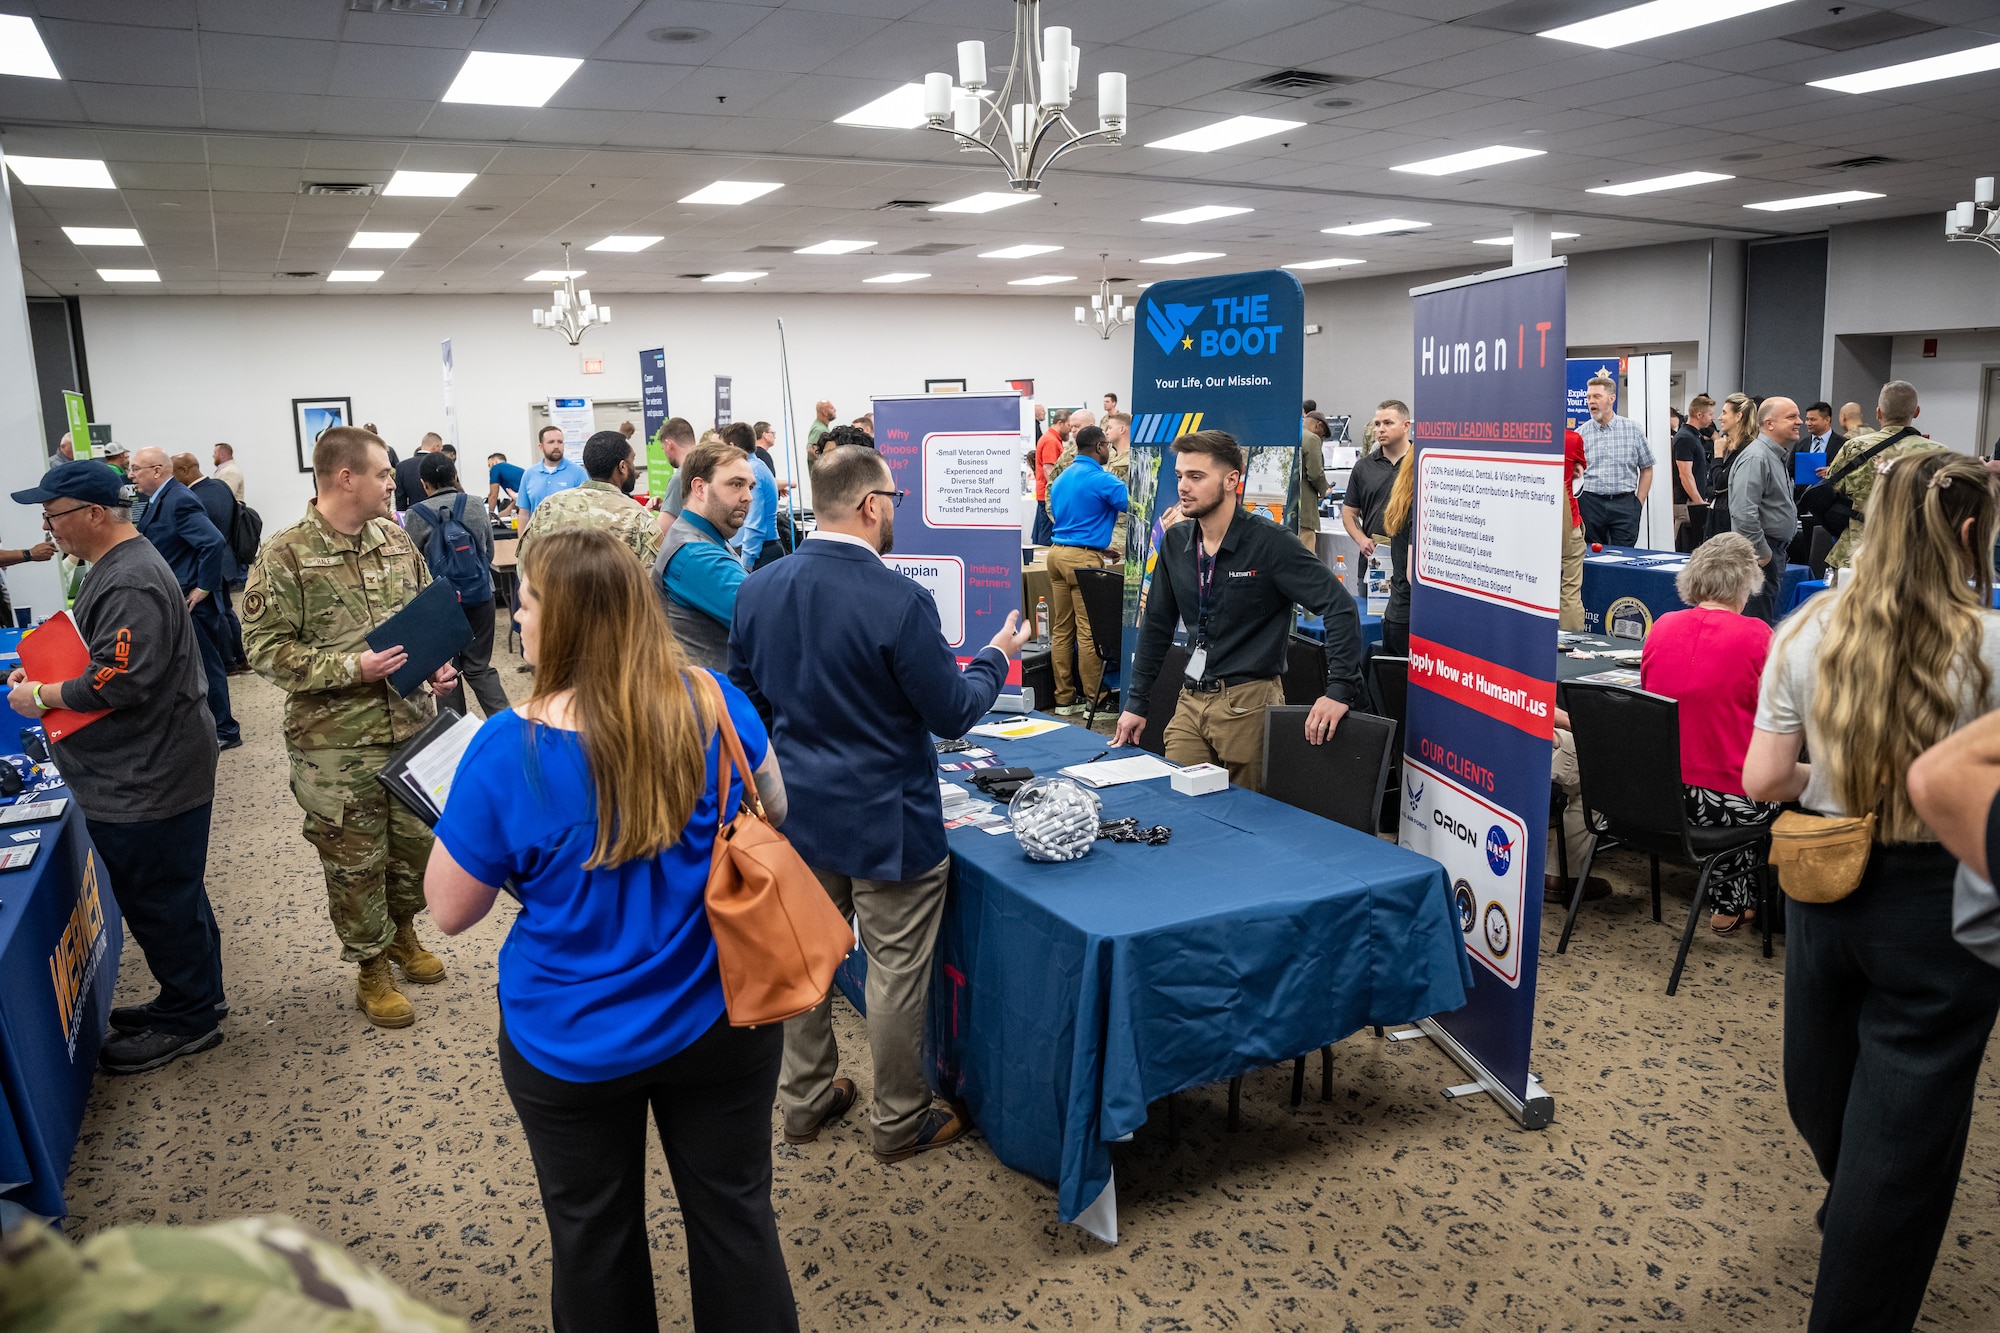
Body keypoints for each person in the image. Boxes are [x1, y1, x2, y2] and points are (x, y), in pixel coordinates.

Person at [426, 527, 797, 1332]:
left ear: (556, 621)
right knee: (736, 1219)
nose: (517, 619)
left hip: (570, 1037)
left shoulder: (502, 749)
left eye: (523, 603)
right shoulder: (713, 700)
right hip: (720, 1012)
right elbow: (777, 808)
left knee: (593, 1236)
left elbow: (451, 911)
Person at [1742, 447, 2000, 1333]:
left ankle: (1859, 1205)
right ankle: (1869, 1226)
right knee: (1907, 1126)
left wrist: (1844, 772)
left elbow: (1763, 779)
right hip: (1948, 902)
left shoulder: (1808, 630)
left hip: (1825, 878)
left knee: (1821, 1087)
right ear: (1968, 531)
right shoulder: (1993, 644)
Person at [729, 445, 1034, 1164]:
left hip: (795, 813)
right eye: (893, 499)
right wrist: (993, 655)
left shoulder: (757, 588)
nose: (894, 511)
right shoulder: (900, 599)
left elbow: (746, 705)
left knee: (806, 958)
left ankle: (805, 1100)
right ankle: (898, 1120)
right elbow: (952, 711)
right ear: (871, 505)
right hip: (889, 819)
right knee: (894, 969)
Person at [7, 460, 225, 1077]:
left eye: (53, 516)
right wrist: (51, 678)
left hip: (146, 776)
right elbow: (108, 659)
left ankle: (191, 1020)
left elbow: (123, 679)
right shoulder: (119, 568)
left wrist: (43, 697)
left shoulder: (128, 579)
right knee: (174, 894)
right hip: (147, 767)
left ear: (95, 515)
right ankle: (194, 997)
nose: (47, 529)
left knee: (160, 899)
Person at [244, 425, 458, 1029]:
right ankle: (371, 969)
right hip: (336, 747)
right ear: (346, 478)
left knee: (416, 851)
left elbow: (424, 617)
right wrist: (351, 667)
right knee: (355, 863)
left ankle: (403, 935)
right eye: (385, 473)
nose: (396, 481)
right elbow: (263, 650)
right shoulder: (285, 553)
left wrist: (437, 667)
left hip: (413, 730)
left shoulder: (395, 539)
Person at [1114, 430, 1366, 793]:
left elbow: (1340, 606)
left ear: (1232, 479)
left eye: (1196, 477)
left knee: (1251, 820)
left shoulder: (1270, 543)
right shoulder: (1176, 542)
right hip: (1190, 699)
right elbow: (1156, 625)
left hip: (1249, 704)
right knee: (1183, 809)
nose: (1184, 487)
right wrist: (1137, 701)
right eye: (1180, 476)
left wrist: (1339, 689)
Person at [1636, 534, 1777, 930]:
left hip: (1663, 797)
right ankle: (1738, 903)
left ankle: (1731, 895)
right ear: (1746, 581)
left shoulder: (1661, 627)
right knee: (1789, 783)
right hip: (1729, 798)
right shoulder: (1757, 635)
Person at [129, 446, 240, 750]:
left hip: (193, 600)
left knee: (207, 665)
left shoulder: (178, 500)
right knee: (194, 667)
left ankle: (226, 729)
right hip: (176, 596)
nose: (130, 475)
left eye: (136, 469)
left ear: (156, 471)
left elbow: (212, 542)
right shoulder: (161, 499)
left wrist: (203, 587)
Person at [402, 452, 510, 719]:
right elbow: (488, 553)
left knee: (445, 669)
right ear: (455, 477)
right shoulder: (474, 504)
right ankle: (508, 725)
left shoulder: (415, 515)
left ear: (424, 483)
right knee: (479, 666)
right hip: (481, 595)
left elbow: (412, 565)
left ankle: (453, 733)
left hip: (440, 602)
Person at [1044, 424, 1129, 715]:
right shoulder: (1103, 480)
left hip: (1056, 555)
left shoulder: (1061, 478)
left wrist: (1097, 544)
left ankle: (1064, 699)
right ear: (1100, 447)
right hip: (1082, 562)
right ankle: (1097, 700)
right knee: (1089, 632)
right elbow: (1139, 507)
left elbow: (1071, 520)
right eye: (1108, 445)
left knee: (1062, 630)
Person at [656, 440, 755, 669]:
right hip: (712, 698)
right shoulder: (695, 555)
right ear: (699, 488)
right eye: (736, 484)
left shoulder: (708, 537)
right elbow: (765, 617)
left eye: (750, 486)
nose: (748, 496)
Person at [1823, 379, 1932, 571]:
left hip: (1857, 550)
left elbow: (1831, 488)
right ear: (1916, 412)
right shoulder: (1937, 453)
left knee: (1848, 601)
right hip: (1913, 554)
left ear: (1878, 412)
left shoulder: (1854, 446)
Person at [518, 430, 661, 570]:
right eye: (633, 460)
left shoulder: (547, 506)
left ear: (586, 467)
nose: (634, 468)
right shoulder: (639, 517)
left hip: (551, 593)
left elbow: (525, 566)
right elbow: (650, 580)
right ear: (622, 467)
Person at [1727, 396, 1801, 623]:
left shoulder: (1775, 456)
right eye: (1791, 417)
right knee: (1755, 622)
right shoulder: (1756, 457)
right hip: (1759, 556)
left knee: (1763, 619)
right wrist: (1763, 553)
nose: (1800, 422)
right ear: (1769, 423)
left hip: (1771, 552)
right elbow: (1743, 512)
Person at [174, 452, 249, 673]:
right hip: (227, 561)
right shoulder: (220, 487)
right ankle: (241, 658)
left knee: (219, 614)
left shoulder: (193, 498)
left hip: (210, 563)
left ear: (186, 470)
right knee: (227, 610)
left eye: (173, 472)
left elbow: (205, 537)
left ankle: (228, 662)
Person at [1576, 375, 1653, 547]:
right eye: (1588, 397)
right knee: (1591, 556)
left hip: (1624, 505)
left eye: (1597, 396)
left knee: (1623, 555)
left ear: (1611, 398)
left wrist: (1638, 503)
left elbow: (1647, 468)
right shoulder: (1580, 433)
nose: (1591, 402)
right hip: (1590, 504)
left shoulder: (1633, 430)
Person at [1340, 400, 1409, 564]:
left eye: (1388, 423)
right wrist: (1361, 539)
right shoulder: (1363, 467)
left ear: (1406, 426)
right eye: (1377, 424)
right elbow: (1349, 513)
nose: (1380, 429)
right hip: (1374, 562)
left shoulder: (1420, 464)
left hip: (1410, 561)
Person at [722, 422, 783, 569]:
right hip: (758, 550)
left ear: (732, 446)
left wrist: (746, 565)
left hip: (760, 553)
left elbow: (754, 523)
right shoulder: (758, 466)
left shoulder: (752, 472)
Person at [1704, 392, 1758, 544]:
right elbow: (1710, 486)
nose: (1719, 418)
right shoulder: (1726, 445)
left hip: (1732, 527)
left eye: (1724, 413)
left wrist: (1718, 456)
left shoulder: (1748, 450)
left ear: (1738, 416)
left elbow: (1720, 482)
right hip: (1716, 519)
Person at [1379, 443, 1414, 657]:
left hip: (1394, 613)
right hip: (1408, 619)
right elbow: (1413, 574)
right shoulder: (1418, 510)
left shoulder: (1402, 503)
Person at [1671, 394, 1713, 550]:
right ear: (1699, 415)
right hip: (1686, 504)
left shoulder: (1694, 436)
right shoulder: (1685, 438)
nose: (1712, 418)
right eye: (1710, 414)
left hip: (1691, 503)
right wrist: (1698, 502)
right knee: (1683, 547)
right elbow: (1685, 473)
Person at [516, 426, 587, 517]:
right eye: (551, 442)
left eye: (560, 442)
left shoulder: (578, 473)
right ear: (541, 447)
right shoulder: (529, 474)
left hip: (568, 530)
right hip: (537, 531)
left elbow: (586, 509)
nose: (556, 446)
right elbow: (524, 513)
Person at [1560, 426, 1587, 631]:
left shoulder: (1514, 436)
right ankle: (1570, 646)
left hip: (1528, 523)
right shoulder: (1572, 439)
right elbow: (1579, 471)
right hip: (1566, 520)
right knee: (1570, 589)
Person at [1031, 408, 1071, 546]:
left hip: (1045, 494)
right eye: (1069, 425)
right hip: (1048, 496)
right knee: (1047, 536)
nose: (1071, 430)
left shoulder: (1050, 438)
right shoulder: (1051, 441)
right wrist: (1057, 493)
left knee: (1042, 532)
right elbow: (1049, 469)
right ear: (1060, 422)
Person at [1295, 412, 1329, 553]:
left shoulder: (1290, 434)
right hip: (1305, 512)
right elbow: (1315, 473)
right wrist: (1324, 489)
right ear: (1318, 425)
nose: (1322, 440)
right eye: (1323, 436)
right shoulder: (1311, 438)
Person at [653, 417, 699, 518]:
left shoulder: (679, 478)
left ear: (669, 445)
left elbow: (661, 530)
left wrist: (645, 512)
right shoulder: (708, 468)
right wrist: (668, 506)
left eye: (663, 448)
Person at [1103, 411, 1134, 559]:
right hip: (1111, 528)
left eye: (1109, 427)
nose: (1106, 432)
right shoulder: (1114, 457)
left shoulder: (1129, 459)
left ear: (1122, 429)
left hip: (1123, 531)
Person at [394, 433, 443, 513]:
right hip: (438, 515)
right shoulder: (440, 464)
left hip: (414, 514)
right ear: (436, 447)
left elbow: (400, 499)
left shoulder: (402, 466)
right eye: (441, 449)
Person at [486, 451, 524, 516]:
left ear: (495, 461)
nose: (490, 469)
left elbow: (493, 495)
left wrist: (489, 516)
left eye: (490, 465)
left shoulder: (496, 468)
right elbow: (516, 504)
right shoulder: (515, 470)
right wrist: (498, 516)